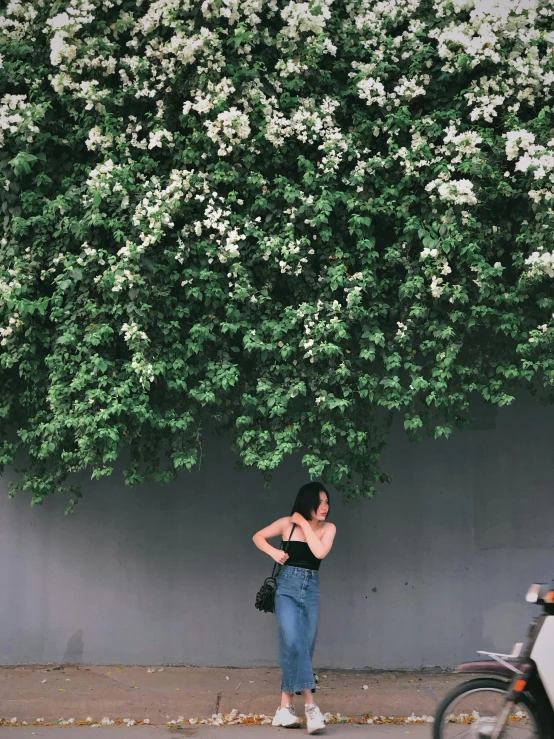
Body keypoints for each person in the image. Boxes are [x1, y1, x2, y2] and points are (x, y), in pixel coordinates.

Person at [253, 482, 336, 734]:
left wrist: (303, 524)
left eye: (326, 502)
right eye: (319, 502)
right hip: (286, 588)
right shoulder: (285, 523)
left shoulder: (328, 528)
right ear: (307, 502)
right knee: (294, 642)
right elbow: (258, 536)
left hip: (310, 590)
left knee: (304, 646)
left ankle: (284, 708)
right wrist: (272, 551)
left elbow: (319, 552)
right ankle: (311, 707)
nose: (325, 507)